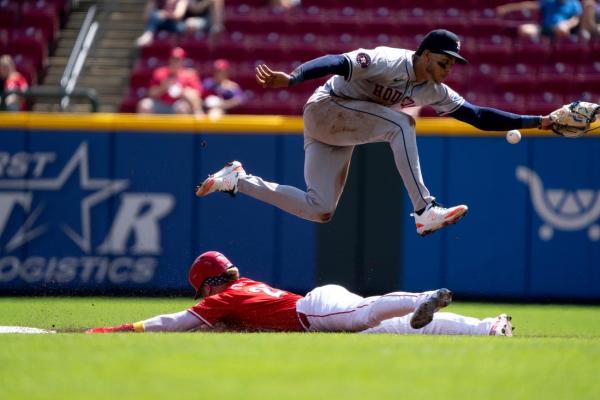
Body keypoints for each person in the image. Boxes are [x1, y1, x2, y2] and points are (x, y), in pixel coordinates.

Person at [195, 29, 554, 237]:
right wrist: (294, 77)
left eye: (452, 64)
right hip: (325, 109)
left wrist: (538, 121)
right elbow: (337, 60)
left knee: (320, 208)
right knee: (402, 123)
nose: (448, 69)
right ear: (425, 54)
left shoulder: (432, 89)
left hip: (343, 130)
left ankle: (236, 180)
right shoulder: (388, 59)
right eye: (443, 61)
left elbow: (477, 116)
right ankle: (424, 209)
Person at [86, 250, 513, 336]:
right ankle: (488, 329)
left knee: (368, 313)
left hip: (313, 311)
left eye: (202, 291)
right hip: (316, 306)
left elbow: (175, 322)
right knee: (402, 329)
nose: (202, 299)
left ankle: (419, 296)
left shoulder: (225, 299)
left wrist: (129, 327)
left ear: (208, 285)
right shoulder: (240, 288)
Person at [137, 47, 204, 116]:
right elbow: (151, 93)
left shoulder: (189, 74)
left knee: (182, 108)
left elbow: (198, 94)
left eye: (178, 60)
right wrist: (162, 87)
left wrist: (183, 92)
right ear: (170, 60)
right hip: (161, 103)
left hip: (178, 104)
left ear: (182, 61)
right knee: (144, 105)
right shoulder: (160, 72)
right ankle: (146, 127)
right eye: (173, 59)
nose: (175, 62)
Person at [496, 0, 583, 39]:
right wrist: (508, 8)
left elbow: (576, 19)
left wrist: (567, 24)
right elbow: (529, 5)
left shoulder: (574, 3)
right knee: (525, 30)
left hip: (561, 29)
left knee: (561, 29)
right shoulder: (549, 1)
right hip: (544, 28)